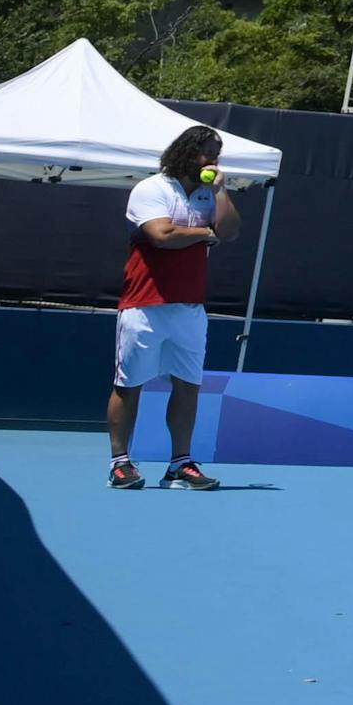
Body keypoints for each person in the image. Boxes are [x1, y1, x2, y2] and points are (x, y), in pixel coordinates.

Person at [109, 123, 236, 492]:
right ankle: (120, 464)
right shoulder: (151, 189)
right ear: (186, 152)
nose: (213, 158)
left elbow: (229, 231)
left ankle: (180, 464)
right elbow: (161, 236)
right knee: (128, 386)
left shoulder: (210, 194)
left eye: (217, 152)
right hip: (144, 305)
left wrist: (221, 191)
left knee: (188, 386)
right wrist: (204, 233)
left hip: (190, 308)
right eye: (207, 151)